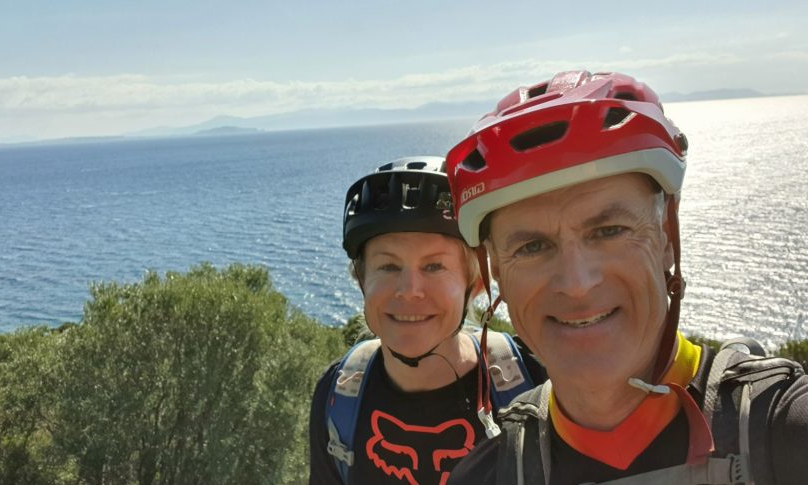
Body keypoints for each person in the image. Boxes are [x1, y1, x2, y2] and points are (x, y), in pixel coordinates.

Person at [444, 70, 808, 485]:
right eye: (532, 247)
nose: (577, 283)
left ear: (666, 236)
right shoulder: (485, 475)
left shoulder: (786, 428)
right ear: (496, 273)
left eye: (609, 231)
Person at [309, 156, 546, 484]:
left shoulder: (537, 381)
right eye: (388, 266)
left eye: (434, 266)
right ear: (362, 281)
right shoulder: (337, 396)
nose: (409, 291)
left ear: (475, 284)